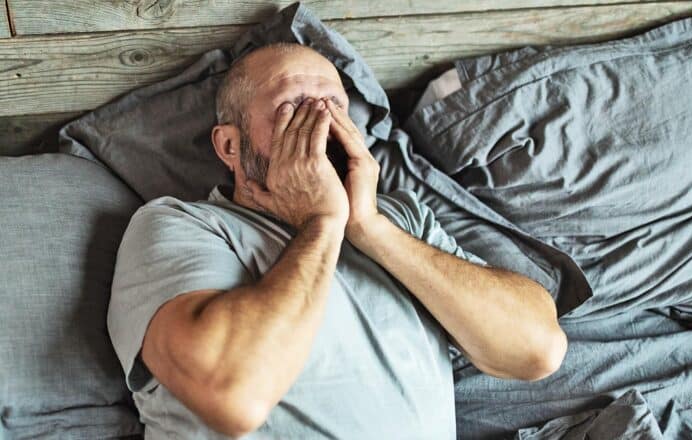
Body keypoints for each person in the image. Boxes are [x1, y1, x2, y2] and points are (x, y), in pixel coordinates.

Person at [107, 42, 567, 439]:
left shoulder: (400, 218)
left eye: (335, 106)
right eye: (294, 108)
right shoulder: (179, 226)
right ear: (229, 146)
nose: (322, 123)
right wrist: (322, 223)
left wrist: (367, 226)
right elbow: (234, 395)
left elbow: (538, 350)